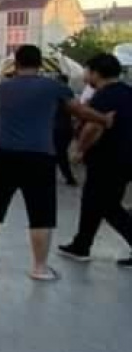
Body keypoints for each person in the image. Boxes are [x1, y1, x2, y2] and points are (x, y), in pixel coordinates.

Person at [0, 45, 114, 282]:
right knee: (41, 212)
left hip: (2, 153)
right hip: (39, 156)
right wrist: (104, 119)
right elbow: (79, 110)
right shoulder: (54, 87)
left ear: (16, 63)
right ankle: (39, 268)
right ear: (40, 64)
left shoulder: (2, 88)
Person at [58, 53, 132, 267]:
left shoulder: (105, 95)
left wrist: (79, 150)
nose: (84, 75)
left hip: (108, 159)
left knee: (107, 206)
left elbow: (94, 126)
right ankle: (81, 244)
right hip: (124, 159)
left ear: (96, 73)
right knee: (93, 202)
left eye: (87, 71)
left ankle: (82, 244)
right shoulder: (127, 92)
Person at [52, 75, 78, 186]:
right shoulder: (68, 92)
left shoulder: (60, 92)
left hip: (59, 128)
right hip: (64, 127)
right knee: (59, 153)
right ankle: (68, 178)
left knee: (59, 154)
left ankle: (69, 178)